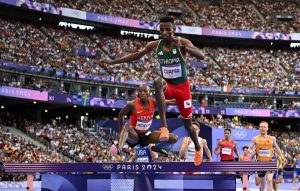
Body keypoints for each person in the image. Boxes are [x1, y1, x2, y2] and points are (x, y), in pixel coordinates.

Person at [101, 16, 205, 166]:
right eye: (161, 29)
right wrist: (113, 62)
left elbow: (201, 56)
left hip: (182, 89)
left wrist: (183, 48)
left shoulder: (182, 42)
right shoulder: (156, 45)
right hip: (168, 86)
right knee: (157, 81)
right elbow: (136, 55)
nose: (164, 32)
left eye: (167, 29)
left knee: (188, 126)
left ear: (173, 30)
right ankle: (164, 127)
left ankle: (197, 148)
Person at [116, 85, 178, 160]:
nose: (142, 93)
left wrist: (184, 98)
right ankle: (119, 148)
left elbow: (172, 101)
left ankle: (156, 148)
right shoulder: (132, 105)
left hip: (146, 135)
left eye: (145, 91)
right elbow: (120, 114)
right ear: (138, 93)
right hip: (134, 135)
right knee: (126, 126)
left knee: (174, 138)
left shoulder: (154, 102)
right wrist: (121, 131)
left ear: (149, 93)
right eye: (140, 91)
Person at [248, 121, 286, 191]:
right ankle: (261, 188)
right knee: (261, 184)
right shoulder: (255, 138)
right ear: (259, 128)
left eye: (264, 127)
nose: (263, 128)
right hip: (260, 163)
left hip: (270, 162)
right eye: (261, 127)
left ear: (267, 128)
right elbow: (249, 148)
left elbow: (277, 148)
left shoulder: (272, 138)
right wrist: (252, 151)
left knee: (269, 180)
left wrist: (282, 156)